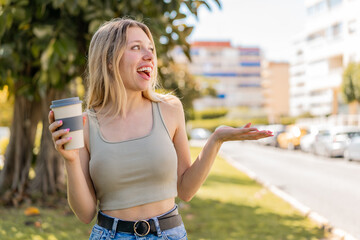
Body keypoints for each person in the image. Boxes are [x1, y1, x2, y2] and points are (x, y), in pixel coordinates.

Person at [48, 18, 273, 240]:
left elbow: (186, 190)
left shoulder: (169, 109)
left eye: (151, 49)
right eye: (136, 47)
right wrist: (71, 160)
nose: (149, 56)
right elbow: (85, 213)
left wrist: (216, 140)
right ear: (108, 60)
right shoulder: (87, 124)